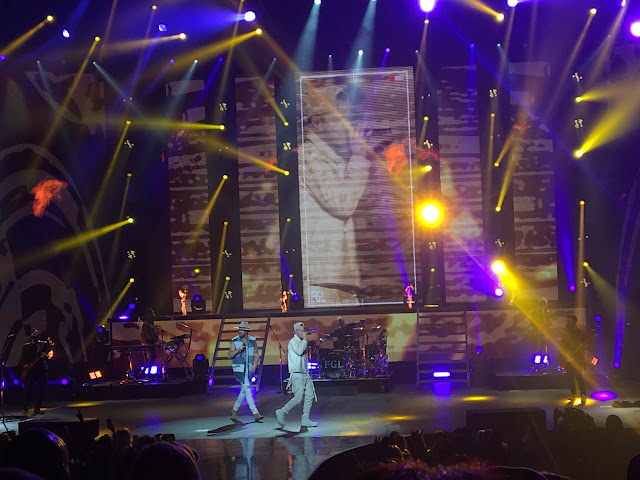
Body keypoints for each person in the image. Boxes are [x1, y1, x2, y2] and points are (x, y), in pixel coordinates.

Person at [300, 82, 370, 307]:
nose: (347, 127)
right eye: (339, 119)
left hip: (337, 280)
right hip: (321, 282)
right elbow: (342, 204)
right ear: (317, 123)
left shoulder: (331, 158)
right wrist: (358, 157)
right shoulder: (308, 156)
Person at [276, 322, 317, 428]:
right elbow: (299, 351)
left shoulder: (303, 342)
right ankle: (282, 411)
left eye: (303, 330)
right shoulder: (293, 342)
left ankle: (305, 419)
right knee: (298, 397)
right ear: (295, 331)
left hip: (305, 373)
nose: (302, 332)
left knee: (310, 395)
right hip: (297, 374)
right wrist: (305, 340)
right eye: (300, 330)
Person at [228, 321, 263, 421]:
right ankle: (255, 413)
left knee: (244, 390)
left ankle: (234, 410)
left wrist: (255, 364)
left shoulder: (252, 340)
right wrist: (238, 350)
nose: (240, 331)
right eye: (239, 329)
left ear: (246, 331)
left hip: (249, 368)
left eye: (242, 330)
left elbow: (257, 354)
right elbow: (229, 355)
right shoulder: (234, 341)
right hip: (239, 369)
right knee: (247, 389)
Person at [19, 327, 54, 415]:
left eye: (36, 332)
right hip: (30, 371)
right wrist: (25, 365)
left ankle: (37, 408)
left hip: (41, 369)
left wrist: (45, 356)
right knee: (28, 389)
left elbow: (50, 354)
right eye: (33, 332)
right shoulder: (26, 346)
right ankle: (25, 408)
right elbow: (22, 358)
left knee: (41, 389)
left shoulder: (43, 344)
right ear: (30, 334)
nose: (35, 333)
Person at [559, 314, 587, 406]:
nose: (568, 323)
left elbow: (585, 344)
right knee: (570, 377)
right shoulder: (565, 332)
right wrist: (561, 358)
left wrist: (583, 348)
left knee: (579, 376)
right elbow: (562, 345)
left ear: (574, 322)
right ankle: (573, 393)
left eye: (569, 321)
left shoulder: (580, 332)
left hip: (578, 358)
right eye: (567, 321)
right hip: (568, 357)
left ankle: (583, 394)